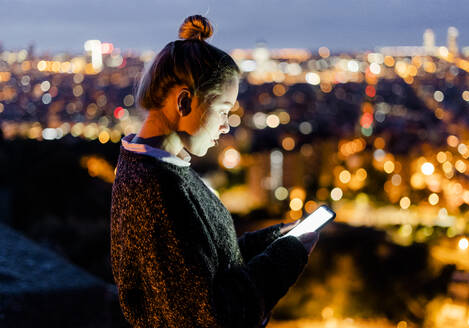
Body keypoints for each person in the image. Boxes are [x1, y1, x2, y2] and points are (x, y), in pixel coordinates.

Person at [110, 15, 319, 328]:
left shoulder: (166, 168)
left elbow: (211, 263)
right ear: (184, 102)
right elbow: (211, 318)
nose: (226, 125)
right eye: (223, 110)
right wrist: (287, 257)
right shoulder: (154, 189)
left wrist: (274, 240)